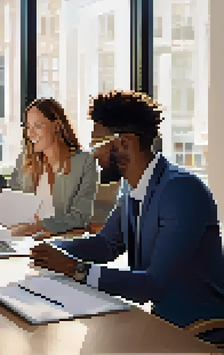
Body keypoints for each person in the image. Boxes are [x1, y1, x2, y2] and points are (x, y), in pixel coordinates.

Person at [30, 90, 224, 344]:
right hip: (160, 321)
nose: (94, 156)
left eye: (98, 145)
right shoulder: (133, 186)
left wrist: (72, 268)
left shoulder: (180, 191)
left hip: (200, 331)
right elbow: (106, 245)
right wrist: (50, 248)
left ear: (125, 142)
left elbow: (152, 285)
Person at [8, 98, 98, 236]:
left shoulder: (84, 162)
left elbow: (80, 218)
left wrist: (39, 226)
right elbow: (12, 205)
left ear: (56, 126)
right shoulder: (24, 161)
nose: (30, 134)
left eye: (38, 126)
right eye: (28, 127)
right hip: (23, 239)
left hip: (61, 241)